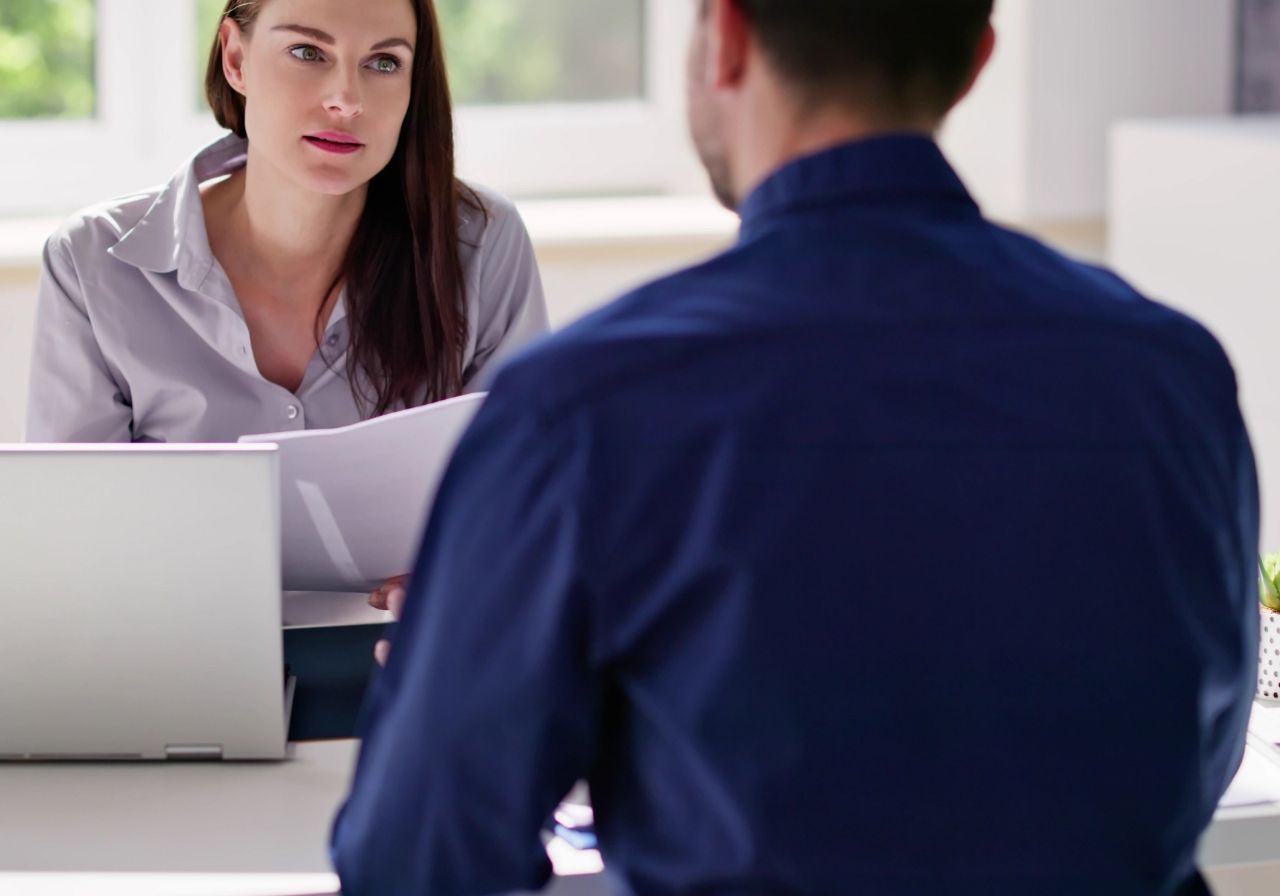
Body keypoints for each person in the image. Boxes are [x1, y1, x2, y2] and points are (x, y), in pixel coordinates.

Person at [331, 1, 1259, 893]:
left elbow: (416, 859)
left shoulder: (580, 407)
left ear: (725, 38)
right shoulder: (1171, 374)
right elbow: (1194, 763)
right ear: (978, 60)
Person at [26, 0, 546, 445]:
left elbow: (521, 497)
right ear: (236, 58)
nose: (346, 99)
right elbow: (76, 533)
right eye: (307, 52)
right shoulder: (92, 263)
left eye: (384, 62)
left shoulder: (480, 244)